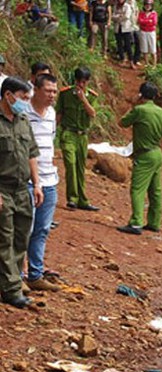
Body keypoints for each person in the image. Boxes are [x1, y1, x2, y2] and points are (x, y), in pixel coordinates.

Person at [0, 76, 43, 308]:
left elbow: (31, 153)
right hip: (3, 189)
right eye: (23, 98)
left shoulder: (23, 120)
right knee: (4, 239)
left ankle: (12, 280)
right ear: (8, 95)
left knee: (20, 237)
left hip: (22, 189)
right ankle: (11, 290)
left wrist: (36, 184)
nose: (26, 102)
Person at [117, 81, 162, 235]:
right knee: (155, 190)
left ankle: (136, 223)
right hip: (157, 153)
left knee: (137, 189)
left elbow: (122, 123)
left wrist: (133, 105)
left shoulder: (139, 110)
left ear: (141, 95)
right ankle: (154, 222)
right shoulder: (161, 112)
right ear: (155, 96)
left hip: (144, 155)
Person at [24, 73, 60, 292]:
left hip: (50, 179)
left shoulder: (51, 113)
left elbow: (50, 142)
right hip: (28, 181)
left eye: (54, 91)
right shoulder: (23, 114)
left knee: (42, 229)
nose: (52, 96)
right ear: (35, 90)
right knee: (23, 229)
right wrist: (34, 180)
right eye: (48, 91)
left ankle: (35, 274)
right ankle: (16, 276)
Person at [55, 67, 100, 212]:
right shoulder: (65, 94)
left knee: (81, 167)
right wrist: (53, 132)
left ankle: (82, 199)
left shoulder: (92, 96)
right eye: (79, 81)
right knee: (70, 164)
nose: (81, 85)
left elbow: (92, 113)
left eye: (84, 82)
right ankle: (72, 199)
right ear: (75, 80)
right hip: (68, 133)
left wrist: (84, 100)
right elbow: (59, 114)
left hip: (82, 136)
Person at [112, 0, 135, 69]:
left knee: (128, 45)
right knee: (119, 44)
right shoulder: (115, 6)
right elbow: (112, 16)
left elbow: (127, 16)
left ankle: (131, 61)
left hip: (126, 28)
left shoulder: (127, 6)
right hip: (117, 27)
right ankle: (123, 59)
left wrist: (118, 17)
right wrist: (119, 16)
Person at [137, 0, 157, 66]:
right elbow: (140, 21)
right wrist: (148, 21)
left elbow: (154, 22)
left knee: (153, 49)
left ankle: (154, 65)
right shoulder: (141, 13)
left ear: (151, 6)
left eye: (149, 5)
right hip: (143, 32)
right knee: (144, 48)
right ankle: (147, 64)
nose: (148, 6)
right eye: (146, 5)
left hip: (151, 32)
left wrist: (145, 21)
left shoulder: (154, 13)